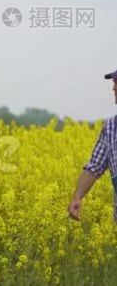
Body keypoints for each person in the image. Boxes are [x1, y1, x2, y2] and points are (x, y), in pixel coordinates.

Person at [68, 69, 117, 222]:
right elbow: (94, 167)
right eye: (114, 83)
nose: (113, 88)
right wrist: (77, 197)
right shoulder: (110, 127)